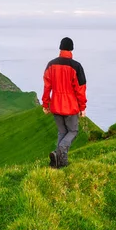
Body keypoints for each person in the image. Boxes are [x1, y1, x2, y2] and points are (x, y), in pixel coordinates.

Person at [42, 37, 87, 168]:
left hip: (56, 105)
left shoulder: (51, 65)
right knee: (73, 131)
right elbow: (81, 89)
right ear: (71, 49)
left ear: (60, 48)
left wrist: (46, 104)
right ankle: (60, 151)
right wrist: (82, 107)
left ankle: (60, 163)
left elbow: (47, 86)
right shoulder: (76, 66)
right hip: (70, 106)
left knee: (62, 132)